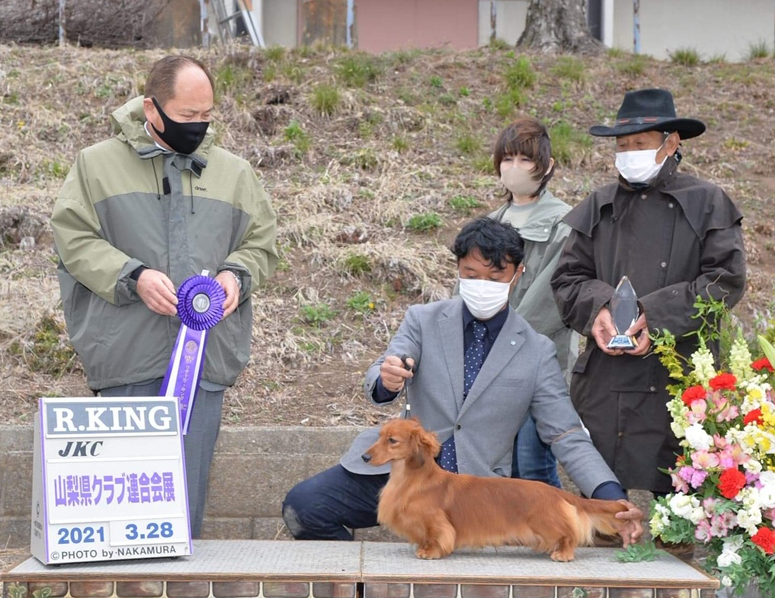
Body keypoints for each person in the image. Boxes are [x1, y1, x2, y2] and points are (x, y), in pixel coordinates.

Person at [283, 217, 644, 545]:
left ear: (518, 274)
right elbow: (387, 366)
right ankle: (356, 583)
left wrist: (612, 498)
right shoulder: (422, 319)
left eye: (495, 277)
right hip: (403, 471)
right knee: (304, 507)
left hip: (475, 492)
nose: (481, 285)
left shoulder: (537, 351)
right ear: (457, 269)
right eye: (470, 274)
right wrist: (387, 379)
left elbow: (565, 433)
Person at [51, 55, 278, 537]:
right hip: (127, 354)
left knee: (184, 508)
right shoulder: (96, 165)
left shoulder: (235, 173)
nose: (198, 125)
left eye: (207, 115)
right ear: (151, 109)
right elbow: (73, 239)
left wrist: (236, 276)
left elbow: (260, 243)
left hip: (205, 361)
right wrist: (132, 275)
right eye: (187, 115)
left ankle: (180, 588)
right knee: (123, 508)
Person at [551, 88, 746, 497]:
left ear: (670, 143)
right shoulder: (599, 204)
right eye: (622, 146)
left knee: (682, 506)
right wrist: (600, 310)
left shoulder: (707, 202)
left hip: (681, 375)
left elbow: (725, 279)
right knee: (603, 506)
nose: (628, 153)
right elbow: (568, 278)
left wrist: (652, 316)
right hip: (608, 379)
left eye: (639, 143)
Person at [488, 117, 578, 488]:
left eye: (525, 159)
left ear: (547, 166)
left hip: (539, 363)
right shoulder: (491, 223)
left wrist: (498, 339)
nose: (514, 167)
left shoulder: (564, 224)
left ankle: (555, 523)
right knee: (499, 466)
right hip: (490, 365)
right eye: (507, 159)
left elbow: (549, 299)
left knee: (533, 464)